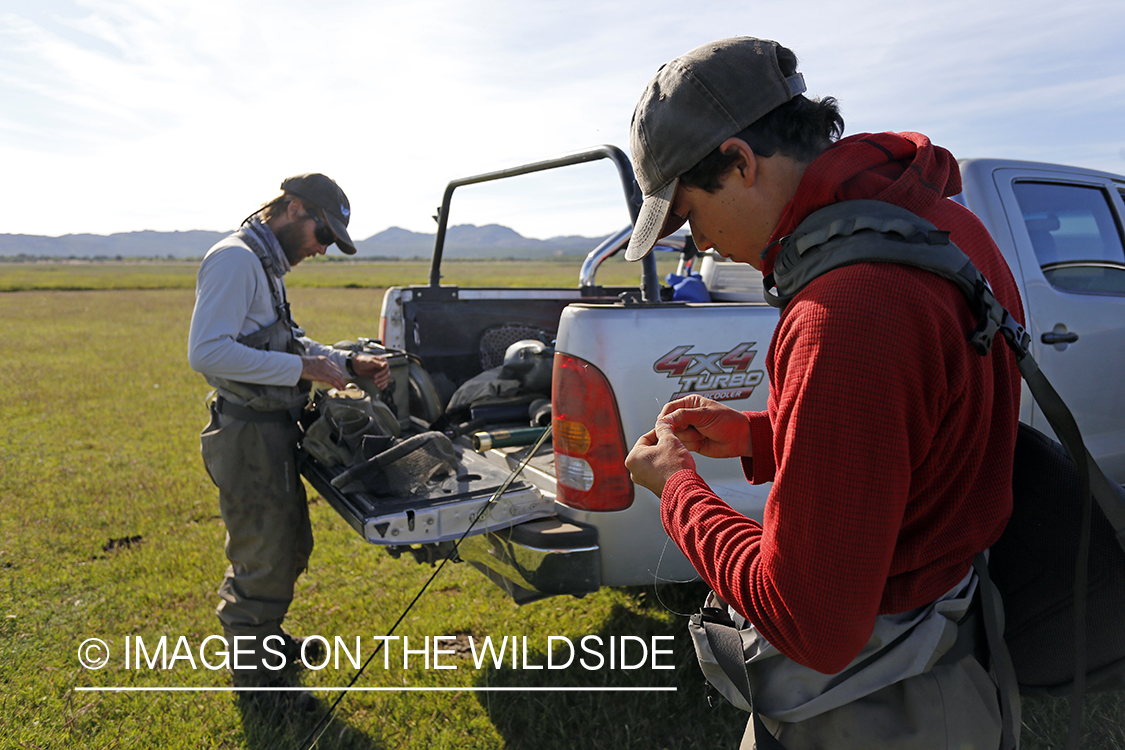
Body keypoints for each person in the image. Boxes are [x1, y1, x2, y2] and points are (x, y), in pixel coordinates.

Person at [623, 38, 1024, 749]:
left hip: (878, 703)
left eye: (688, 215)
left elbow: (811, 624)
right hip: (951, 657)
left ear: (739, 162)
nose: (701, 246)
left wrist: (677, 490)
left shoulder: (843, 312)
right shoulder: (945, 226)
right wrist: (761, 435)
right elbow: (919, 429)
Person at [188, 173, 391, 695]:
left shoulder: (264, 264)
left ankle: (267, 640)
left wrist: (346, 361)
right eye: (323, 235)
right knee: (264, 551)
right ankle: (257, 681)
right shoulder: (235, 259)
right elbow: (207, 352)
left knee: (286, 543)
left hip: (271, 430)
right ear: (294, 208)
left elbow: (289, 341)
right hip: (249, 434)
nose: (322, 250)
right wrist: (304, 370)